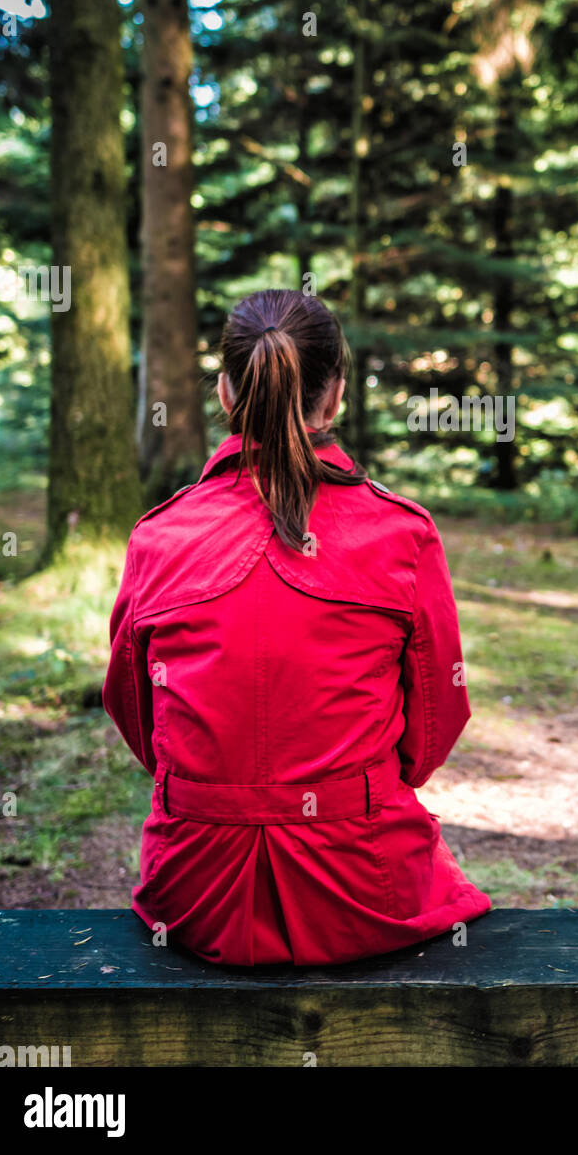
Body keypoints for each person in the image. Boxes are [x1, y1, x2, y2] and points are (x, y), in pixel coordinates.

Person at [103, 288, 490, 966]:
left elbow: (138, 720)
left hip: (196, 894)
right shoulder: (401, 534)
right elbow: (433, 732)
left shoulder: (159, 537)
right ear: (334, 396)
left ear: (226, 392)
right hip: (362, 890)